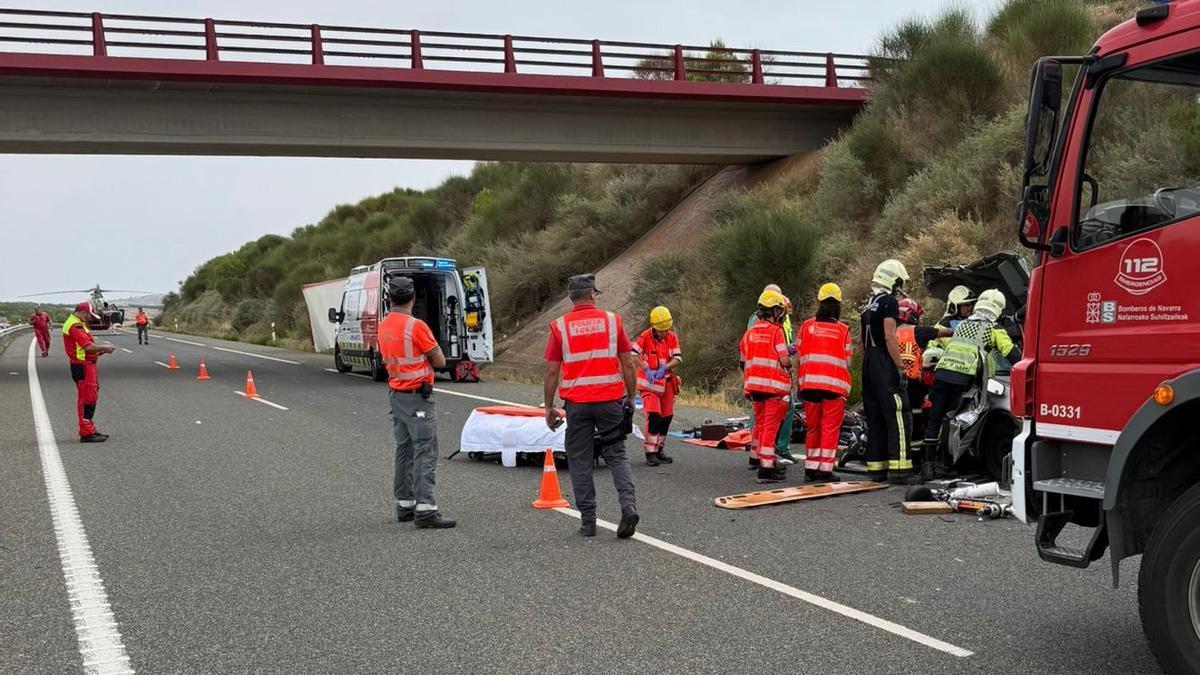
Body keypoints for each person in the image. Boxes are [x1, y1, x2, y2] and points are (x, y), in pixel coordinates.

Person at [543, 274, 640, 539]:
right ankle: (628, 506)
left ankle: (588, 522)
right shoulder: (612, 321)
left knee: (580, 460)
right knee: (617, 456)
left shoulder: (560, 326)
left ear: (571, 297)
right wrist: (631, 397)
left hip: (577, 405)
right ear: (592, 294)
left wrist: (549, 407)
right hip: (610, 401)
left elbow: (552, 371)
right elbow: (628, 363)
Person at [377, 276, 455, 529]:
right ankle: (426, 509)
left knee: (404, 450)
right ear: (412, 298)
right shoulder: (416, 326)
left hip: (396, 395)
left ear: (390, 299)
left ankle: (405, 504)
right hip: (417, 398)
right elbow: (440, 360)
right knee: (425, 451)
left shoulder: (384, 325)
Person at [922, 289, 1022, 474]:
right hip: (963, 377)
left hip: (943, 373)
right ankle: (946, 464)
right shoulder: (994, 329)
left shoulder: (961, 324)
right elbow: (1012, 354)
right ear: (998, 309)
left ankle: (928, 465)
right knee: (955, 419)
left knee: (936, 419)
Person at [860, 259, 916, 484]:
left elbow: (863, 342)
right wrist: (900, 367)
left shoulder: (867, 304)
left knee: (875, 418)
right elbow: (889, 336)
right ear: (892, 279)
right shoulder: (889, 302)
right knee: (898, 414)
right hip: (884, 361)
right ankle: (901, 470)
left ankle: (877, 469)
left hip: (868, 364)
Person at [796, 283, 853, 482]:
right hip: (833, 388)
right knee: (830, 429)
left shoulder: (806, 326)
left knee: (813, 428)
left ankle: (810, 469)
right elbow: (848, 361)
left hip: (810, 386)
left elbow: (798, 352)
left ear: (819, 303)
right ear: (838, 305)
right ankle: (825, 470)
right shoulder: (843, 330)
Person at [739, 289, 794, 484]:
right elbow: (785, 360)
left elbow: (742, 360)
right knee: (770, 427)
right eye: (779, 310)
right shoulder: (776, 332)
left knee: (760, 425)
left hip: (754, 387)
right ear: (774, 311)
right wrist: (790, 362)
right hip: (773, 388)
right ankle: (766, 468)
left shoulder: (750, 332)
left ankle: (757, 457)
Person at [896, 299, 951, 472]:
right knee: (916, 422)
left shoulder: (890, 332)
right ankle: (916, 461)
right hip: (912, 385)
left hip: (892, 382)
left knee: (897, 424)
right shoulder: (919, 331)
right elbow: (944, 332)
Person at [633, 305, 682, 467]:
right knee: (654, 415)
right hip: (649, 384)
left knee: (666, 417)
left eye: (666, 330)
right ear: (654, 327)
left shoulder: (672, 337)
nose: (664, 333)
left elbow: (677, 358)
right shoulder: (645, 337)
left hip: (666, 382)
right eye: (661, 331)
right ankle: (650, 452)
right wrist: (646, 368)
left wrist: (666, 367)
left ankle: (659, 448)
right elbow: (633, 354)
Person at [62, 302, 115, 443]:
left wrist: (99, 351)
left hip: (86, 364)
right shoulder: (76, 325)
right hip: (83, 366)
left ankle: (89, 428)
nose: (91, 319)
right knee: (87, 399)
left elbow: (85, 347)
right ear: (84, 313)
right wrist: (105, 347)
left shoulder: (77, 322)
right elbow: (87, 346)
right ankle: (86, 432)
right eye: (90, 316)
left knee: (89, 397)